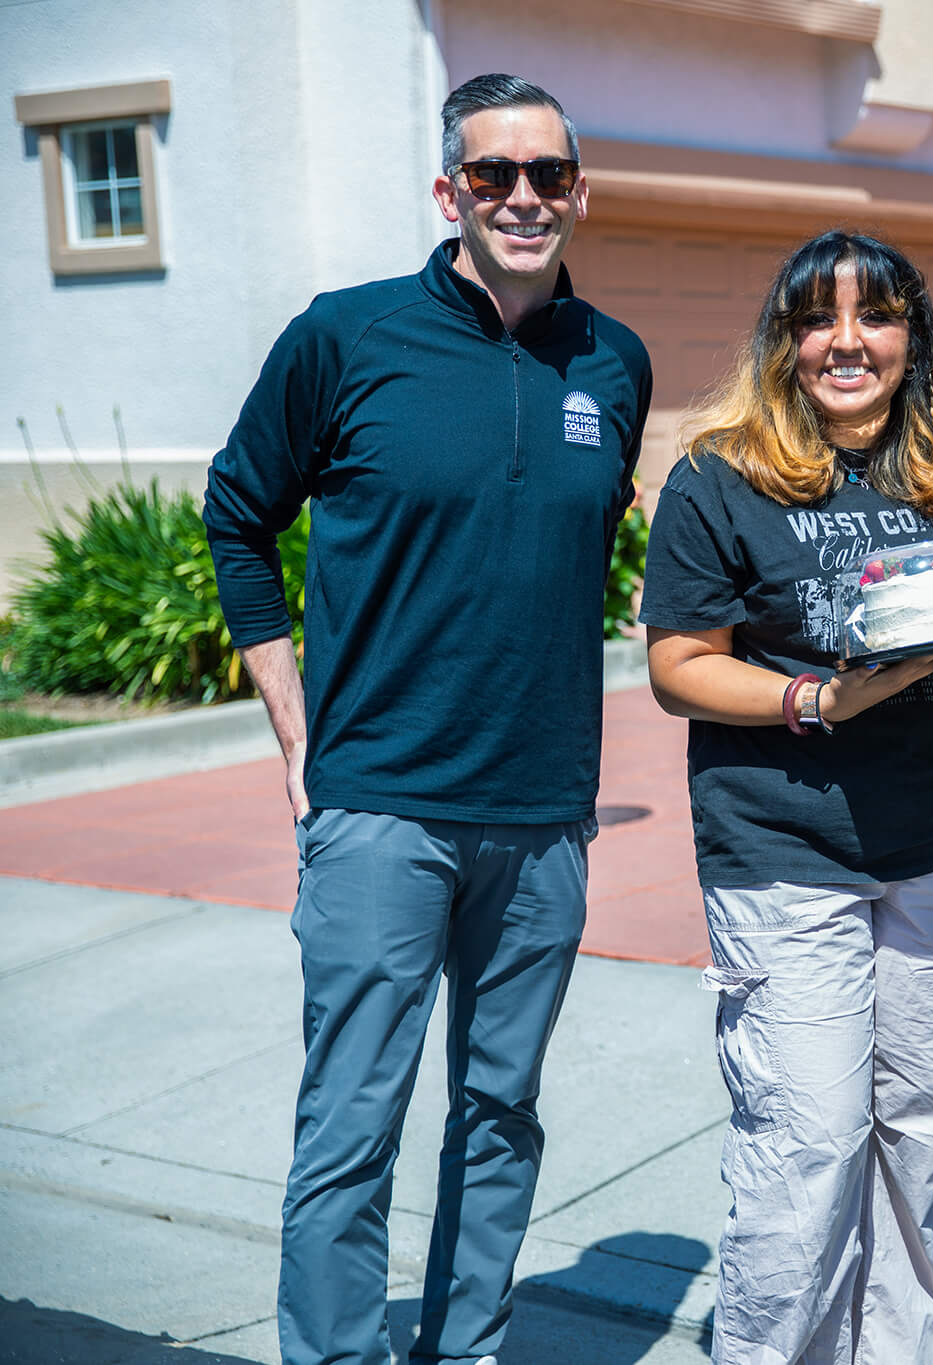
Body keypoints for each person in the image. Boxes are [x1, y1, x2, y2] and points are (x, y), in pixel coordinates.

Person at [202, 74, 651, 1365]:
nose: (523, 197)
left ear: (579, 190)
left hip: (544, 813)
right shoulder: (345, 337)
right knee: (352, 1123)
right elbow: (239, 512)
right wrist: (295, 728)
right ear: (448, 190)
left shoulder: (612, 359)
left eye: (548, 175)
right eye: (494, 174)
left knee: (502, 1112)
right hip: (380, 807)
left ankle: (466, 1348)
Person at [637, 229, 933, 1364]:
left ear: (912, 337)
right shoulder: (719, 472)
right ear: (784, 339)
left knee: (915, 1136)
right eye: (818, 317)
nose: (845, 340)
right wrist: (819, 702)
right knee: (806, 1144)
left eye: (874, 315)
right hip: (784, 852)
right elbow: (679, 665)